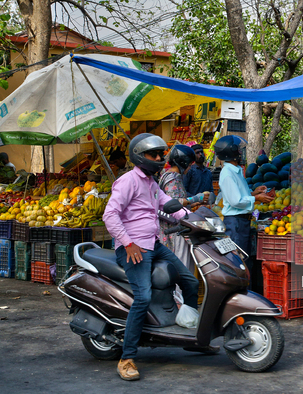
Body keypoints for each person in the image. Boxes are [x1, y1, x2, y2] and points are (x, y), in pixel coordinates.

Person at [103, 134, 216, 382]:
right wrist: (128, 243)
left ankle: (193, 337)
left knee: (191, 281)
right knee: (142, 297)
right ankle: (127, 358)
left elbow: (169, 205)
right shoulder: (127, 181)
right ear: (138, 156)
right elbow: (110, 215)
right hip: (134, 248)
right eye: (152, 154)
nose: (158, 158)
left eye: (160, 154)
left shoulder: (152, 183)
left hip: (154, 245)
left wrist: (197, 222)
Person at [213, 136, 273, 272]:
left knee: (244, 261)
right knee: (238, 262)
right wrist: (257, 198)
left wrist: (253, 193)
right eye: (239, 150)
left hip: (241, 223)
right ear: (232, 152)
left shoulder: (236, 171)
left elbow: (240, 195)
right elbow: (235, 201)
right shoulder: (227, 174)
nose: (241, 152)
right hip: (235, 224)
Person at [158, 145, 204, 271]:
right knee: (181, 265)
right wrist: (195, 199)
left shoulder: (166, 175)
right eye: (189, 165)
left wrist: (191, 204)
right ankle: (179, 291)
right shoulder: (173, 179)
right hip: (175, 229)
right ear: (183, 163)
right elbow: (173, 205)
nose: (189, 168)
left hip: (169, 227)